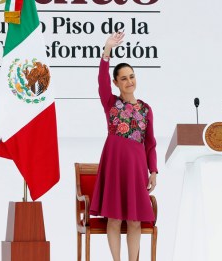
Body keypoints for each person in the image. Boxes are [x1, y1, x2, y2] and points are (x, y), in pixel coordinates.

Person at [89, 32, 158, 261]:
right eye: (124, 78)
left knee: (135, 220)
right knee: (115, 219)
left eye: (132, 76)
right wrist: (107, 50)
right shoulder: (111, 103)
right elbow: (100, 80)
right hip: (115, 165)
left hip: (137, 168)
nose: (130, 81)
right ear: (116, 82)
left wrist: (154, 171)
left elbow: (150, 143)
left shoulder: (146, 109)